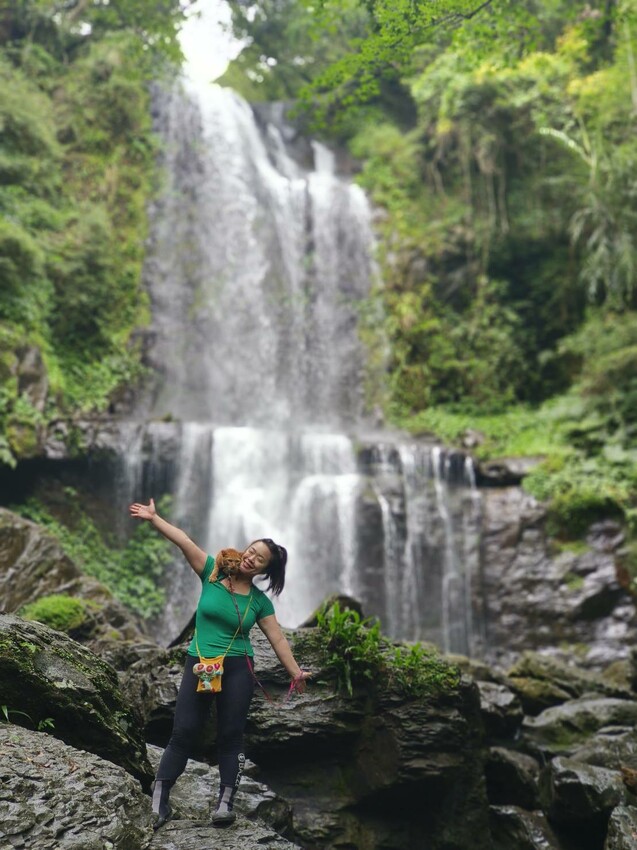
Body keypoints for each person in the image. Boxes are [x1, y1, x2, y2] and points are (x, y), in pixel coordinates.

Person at [128, 497, 311, 829]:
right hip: (199, 662)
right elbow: (184, 540)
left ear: (264, 570)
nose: (251, 558)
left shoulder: (258, 601)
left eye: (260, 559)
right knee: (183, 731)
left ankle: (225, 803)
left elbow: (278, 638)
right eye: (250, 551)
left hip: (238, 667)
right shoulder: (211, 571)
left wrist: (295, 672)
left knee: (231, 735)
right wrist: (154, 519)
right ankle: (159, 801)